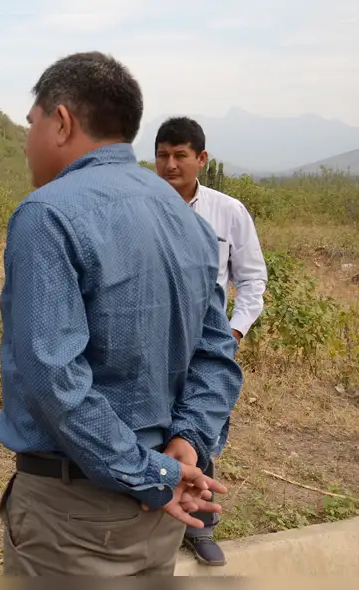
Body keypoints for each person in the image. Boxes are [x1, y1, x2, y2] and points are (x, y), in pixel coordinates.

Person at [0, 51, 244, 576]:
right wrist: (187, 443)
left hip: (75, 519)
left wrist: (148, 471)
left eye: (31, 123)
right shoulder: (187, 218)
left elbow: (54, 377)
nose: (26, 141)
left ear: (60, 121)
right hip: (162, 515)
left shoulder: (46, 215)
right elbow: (217, 353)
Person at [155, 116, 268, 566]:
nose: (170, 164)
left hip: (206, 348)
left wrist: (234, 333)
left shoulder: (228, 211)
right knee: (152, 429)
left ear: (201, 159)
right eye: (163, 155)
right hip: (152, 343)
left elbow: (252, 279)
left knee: (199, 427)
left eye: (180, 155)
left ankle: (199, 527)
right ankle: (154, 521)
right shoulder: (141, 208)